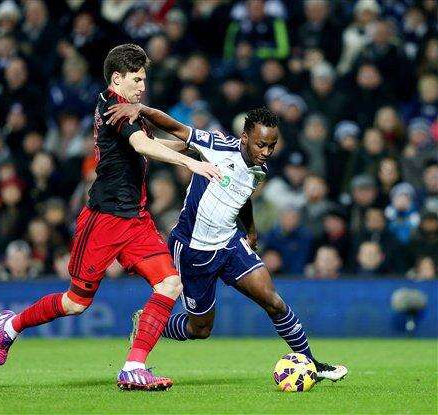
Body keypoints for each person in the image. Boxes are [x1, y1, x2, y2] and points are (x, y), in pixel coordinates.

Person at [0, 44, 222, 391]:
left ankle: (133, 366)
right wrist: (192, 163)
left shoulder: (130, 111)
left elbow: (151, 144)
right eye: (137, 79)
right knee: (75, 303)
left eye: (144, 79)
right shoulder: (114, 107)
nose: (143, 86)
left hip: (136, 221)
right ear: (117, 78)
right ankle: (11, 325)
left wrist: (200, 145)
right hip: (104, 220)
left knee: (170, 284)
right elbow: (143, 146)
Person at [105, 103, 347, 382]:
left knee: (274, 302)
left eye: (271, 145)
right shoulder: (218, 146)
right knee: (200, 329)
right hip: (193, 249)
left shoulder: (260, 167)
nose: (266, 152)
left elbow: (242, 197)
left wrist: (251, 231)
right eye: (261, 145)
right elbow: (176, 128)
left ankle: (312, 364)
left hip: (230, 243)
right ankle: (148, 323)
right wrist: (141, 109)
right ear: (245, 138)